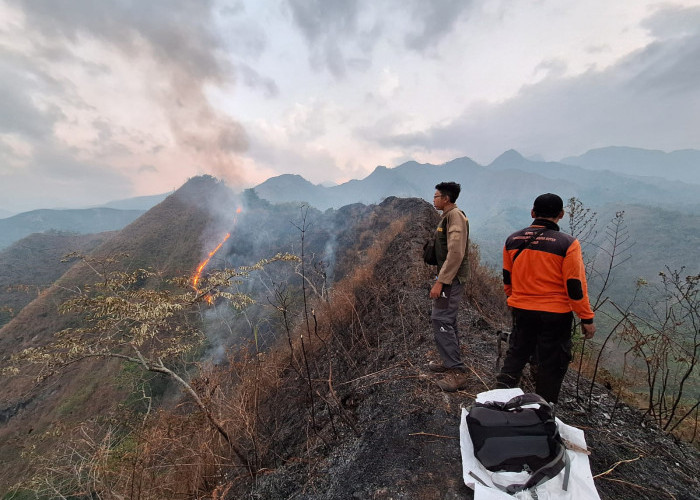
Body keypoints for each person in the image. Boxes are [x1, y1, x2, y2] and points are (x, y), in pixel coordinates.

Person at [496, 193, 596, 403]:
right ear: (561, 214)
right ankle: (543, 410)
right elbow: (574, 286)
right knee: (552, 364)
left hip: (522, 310)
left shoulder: (512, 240)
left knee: (516, 354)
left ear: (532, 213)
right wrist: (586, 318)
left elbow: (507, 277)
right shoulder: (567, 244)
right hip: (555, 315)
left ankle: (497, 399)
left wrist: (514, 299)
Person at [428, 182, 470, 392]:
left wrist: (440, 281)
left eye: (436, 196)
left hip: (450, 280)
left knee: (441, 318)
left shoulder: (455, 217)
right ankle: (449, 361)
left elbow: (455, 253)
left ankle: (457, 372)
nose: (433, 199)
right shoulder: (447, 216)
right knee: (448, 319)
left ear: (446, 198)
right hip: (449, 278)